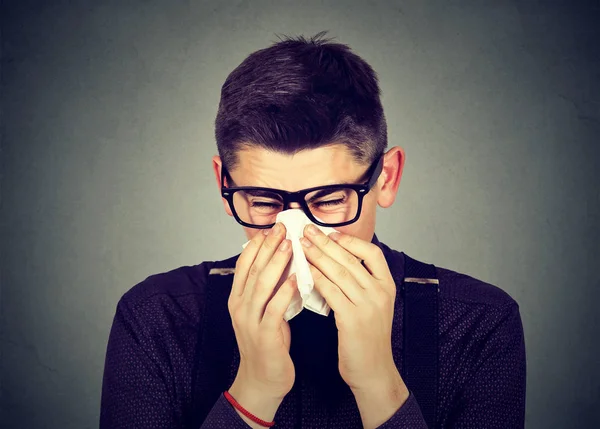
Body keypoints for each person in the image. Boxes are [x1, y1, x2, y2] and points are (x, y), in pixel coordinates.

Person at [99, 31, 526, 428]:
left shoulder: (477, 323)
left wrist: (379, 384)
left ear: (386, 178)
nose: (296, 235)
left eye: (330, 200)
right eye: (265, 203)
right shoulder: (157, 318)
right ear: (224, 186)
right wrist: (255, 390)